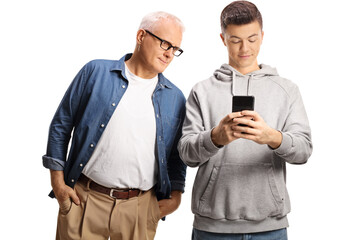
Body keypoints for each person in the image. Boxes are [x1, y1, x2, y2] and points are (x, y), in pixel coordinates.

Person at [42, 11, 187, 240]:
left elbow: (176, 155)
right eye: (165, 44)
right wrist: (58, 183)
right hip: (84, 201)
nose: (169, 54)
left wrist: (175, 198)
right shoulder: (95, 72)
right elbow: (62, 124)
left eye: (175, 49)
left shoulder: (175, 97)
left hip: (140, 209)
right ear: (141, 36)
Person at [178, 1, 313, 239]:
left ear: (262, 36)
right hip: (212, 227)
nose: (244, 48)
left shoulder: (287, 90)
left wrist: (272, 137)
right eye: (235, 40)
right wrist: (215, 138)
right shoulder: (202, 90)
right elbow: (186, 154)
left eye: (252, 39)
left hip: (270, 227)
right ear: (223, 39)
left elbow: (303, 151)